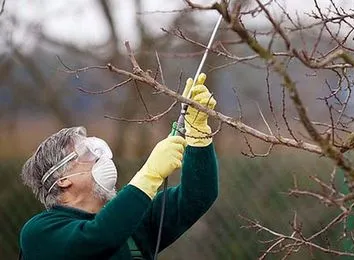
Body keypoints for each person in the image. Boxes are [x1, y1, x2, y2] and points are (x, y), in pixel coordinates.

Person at [19, 74, 218, 260]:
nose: (102, 158)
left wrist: (198, 134)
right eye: (88, 153)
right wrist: (149, 175)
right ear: (62, 179)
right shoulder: (39, 233)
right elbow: (98, 238)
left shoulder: (134, 220)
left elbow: (198, 196)